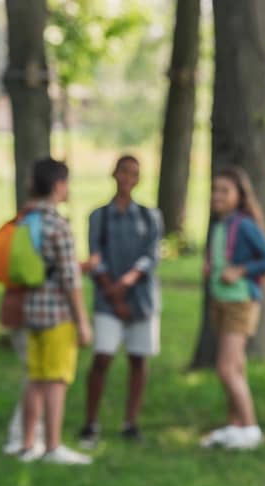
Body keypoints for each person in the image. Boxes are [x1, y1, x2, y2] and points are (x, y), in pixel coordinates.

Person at [77, 155, 163, 447]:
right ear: (114, 174)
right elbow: (95, 255)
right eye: (123, 171)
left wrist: (126, 283)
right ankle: (90, 422)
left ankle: (131, 422)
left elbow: (150, 256)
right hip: (107, 300)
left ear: (139, 179)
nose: (127, 178)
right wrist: (112, 292)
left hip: (140, 300)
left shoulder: (149, 217)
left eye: (134, 173)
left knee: (138, 359)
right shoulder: (99, 217)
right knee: (103, 356)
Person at [17, 157, 94, 465]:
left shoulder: (26, 220)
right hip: (57, 315)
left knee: (35, 379)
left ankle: (26, 446)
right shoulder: (58, 225)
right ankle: (52, 446)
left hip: (31, 310)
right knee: (56, 380)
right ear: (59, 185)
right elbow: (70, 278)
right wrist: (83, 321)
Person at [199, 166, 265, 450]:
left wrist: (240, 270)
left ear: (239, 195)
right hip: (221, 300)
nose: (217, 196)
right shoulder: (221, 224)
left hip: (240, 301)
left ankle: (250, 428)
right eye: (214, 190)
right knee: (235, 366)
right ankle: (235, 426)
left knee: (225, 368)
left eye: (224, 191)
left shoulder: (244, 224)